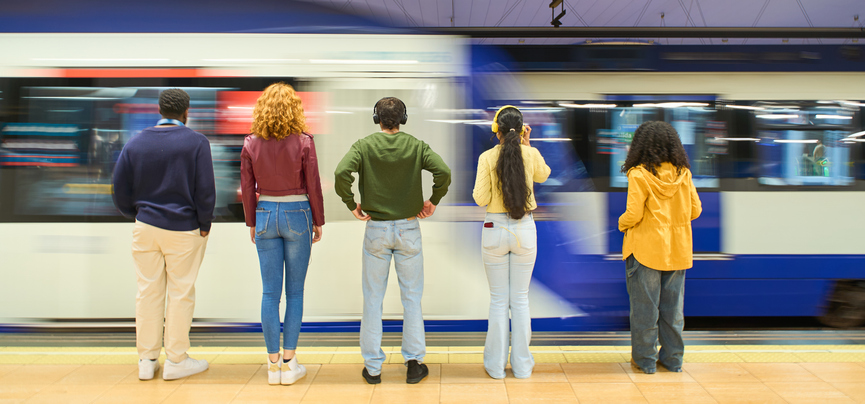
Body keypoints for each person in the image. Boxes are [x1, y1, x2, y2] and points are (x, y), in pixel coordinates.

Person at [334, 97, 451, 384]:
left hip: (376, 230)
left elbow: (340, 173)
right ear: (403, 119)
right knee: (412, 298)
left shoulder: (363, 146)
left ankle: (373, 368)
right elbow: (443, 172)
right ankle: (413, 363)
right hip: (409, 229)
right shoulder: (416, 145)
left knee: (373, 299)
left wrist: (352, 204)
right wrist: (433, 201)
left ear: (377, 118)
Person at [112, 88, 215, 381]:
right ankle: (177, 361)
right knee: (181, 293)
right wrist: (204, 223)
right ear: (187, 112)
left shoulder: (135, 142)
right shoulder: (197, 142)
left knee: (147, 292)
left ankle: (146, 360)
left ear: (159, 111)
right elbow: (205, 189)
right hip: (184, 229)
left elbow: (119, 189)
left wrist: (137, 214)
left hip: (145, 227)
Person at [240, 82, 324, 385]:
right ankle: (290, 364)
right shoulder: (304, 141)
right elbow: (312, 183)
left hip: (264, 214)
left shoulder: (250, 142)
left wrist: (252, 222)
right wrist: (318, 220)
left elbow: (247, 187)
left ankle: (272, 364)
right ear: (295, 110)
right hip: (297, 213)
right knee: (295, 292)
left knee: (269, 293)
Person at [472, 105, 550, 379]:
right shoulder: (531, 154)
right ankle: (522, 366)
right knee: (520, 299)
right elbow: (544, 175)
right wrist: (528, 146)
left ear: (497, 130)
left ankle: (495, 367)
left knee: (498, 301)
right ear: (522, 129)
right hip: (524, 230)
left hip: (494, 229)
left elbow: (480, 199)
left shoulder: (486, 157)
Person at [618, 121, 702, 374]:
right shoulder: (683, 173)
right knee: (673, 311)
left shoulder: (638, 174)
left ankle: (645, 362)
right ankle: (673, 360)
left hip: (645, 251)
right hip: (677, 250)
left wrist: (621, 224)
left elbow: (632, 214)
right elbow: (696, 210)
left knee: (645, 311)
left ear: (640, 145)